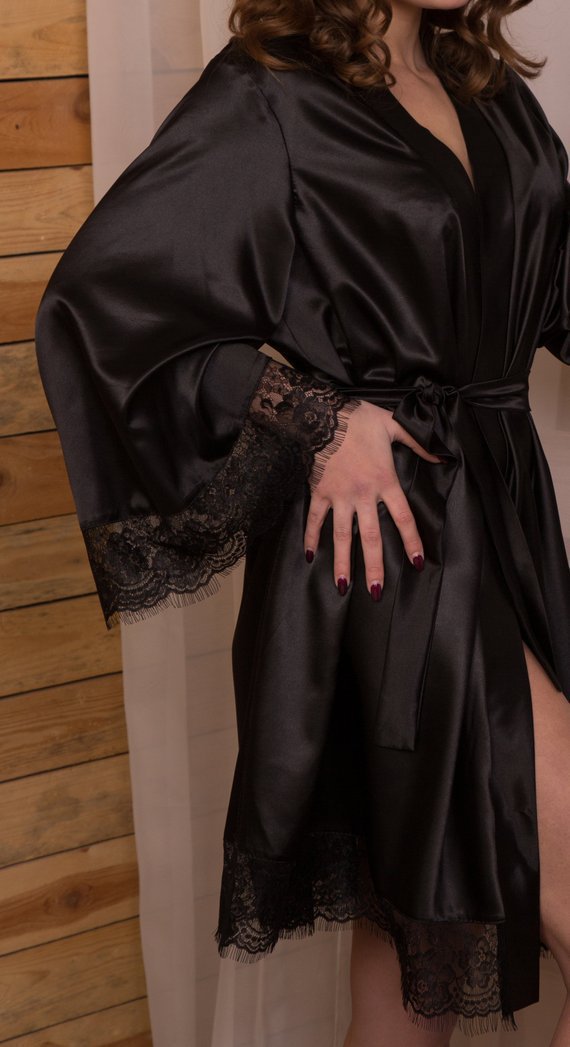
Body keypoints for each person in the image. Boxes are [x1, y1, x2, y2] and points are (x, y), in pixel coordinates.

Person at [34, 0, 570, 1042]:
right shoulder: (269, 92)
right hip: (395, 553)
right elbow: (105, 302)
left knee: (417, 954)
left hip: (507, 529)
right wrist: (317, 419)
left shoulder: (488, 90)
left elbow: (551, 288)